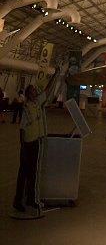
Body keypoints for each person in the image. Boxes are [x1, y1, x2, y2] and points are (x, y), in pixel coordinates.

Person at [12, 69, 60, 218]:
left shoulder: (37, 104)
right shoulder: (26, 108)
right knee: (23, 174)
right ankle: (17, 201)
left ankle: (32, 199)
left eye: (35, 90)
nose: (35, 92)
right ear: (28, 94)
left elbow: (47, 90)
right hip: (27, 144)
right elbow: (21, 130)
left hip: (36, 143)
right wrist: (23, 149)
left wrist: (56, 74)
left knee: (33, 173)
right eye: (32, 91)